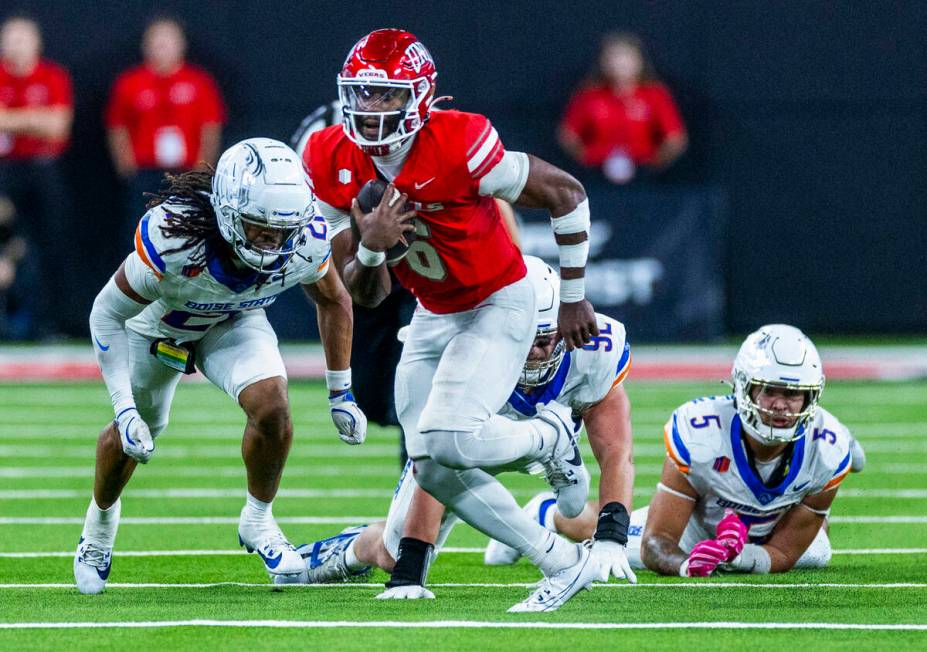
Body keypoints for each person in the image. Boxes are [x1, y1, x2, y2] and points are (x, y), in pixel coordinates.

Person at [305, 29, 605, 613]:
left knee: (447, 436)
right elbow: (363, 295)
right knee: (430, 463)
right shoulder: (327, 155)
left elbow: (567, 193)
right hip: (433, 310)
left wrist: (572, 297)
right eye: (362, 95)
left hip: (498, 300)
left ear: (419, 96)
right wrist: (371, 247)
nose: (371, 110)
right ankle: (561, 561)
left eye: (386, 96)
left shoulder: (458, 140)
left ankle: (549, 437)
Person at [73, 138, 367, 595]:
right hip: (160, 325)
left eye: (282, 230)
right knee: (136, 433)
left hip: (233, 319)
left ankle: (258, 521)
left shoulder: (306, 239)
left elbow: (334, 299)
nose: (273, 241)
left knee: (273, 406)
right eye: (259, 227)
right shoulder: (175, 237)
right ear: (229, 212)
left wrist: (341, 392)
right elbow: (106, 314)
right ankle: (99, 527)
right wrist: (124, 407)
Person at [294, 256, 637, 594]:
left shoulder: (595, 345)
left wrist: (612, 535)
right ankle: (549, 441)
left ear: (564, 330)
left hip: (522, 430)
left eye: (543, 340)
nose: (532, 353)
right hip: (478, 438)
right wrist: (409, 568)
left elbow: (616, 449)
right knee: (392, 552)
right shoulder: (464, 345)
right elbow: (434, 462)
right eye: (522, 340)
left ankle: (551, 448)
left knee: (574, 506)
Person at [293, 101, 521, 466]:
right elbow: (317, 234)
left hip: (428, 265)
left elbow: (492, 204)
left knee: (422, 384)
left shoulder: (433, 138)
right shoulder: (321, 142)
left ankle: (421, 474)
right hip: (362, 265)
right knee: (370, 393)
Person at [634, 324, 861, 576]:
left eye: (792, 393)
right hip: (694, 532)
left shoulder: (826, 449)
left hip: (770, 533)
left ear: (810, 398)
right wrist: (687, 565)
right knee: (602, 533)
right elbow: (656, 541)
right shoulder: (702, 433)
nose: (780, 406)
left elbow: (784, 552)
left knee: (817, 550)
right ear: (743, 387)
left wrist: (737, 558)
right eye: (769, 391)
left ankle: (816, 507)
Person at [106, 17, 225, 244]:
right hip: (145, 173)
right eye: (156, 41)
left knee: (189, 234)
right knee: (140, 233)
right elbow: (117, 127)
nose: (162, 47)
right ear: (146, 45)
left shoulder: (198, 82)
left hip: (185, 172)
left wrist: (200, 171)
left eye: (167, 41)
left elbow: (210, 127)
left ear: (181, 44)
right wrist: (127, 167)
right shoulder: (130, 82)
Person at [0, 14, 74, 336]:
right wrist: (34, 121)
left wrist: (10, 119)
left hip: (43, 170)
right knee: (7, 245)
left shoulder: (51, 77)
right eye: (10, 39)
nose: (15, 46)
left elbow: (57, 127)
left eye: (22, 39)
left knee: (48, 246)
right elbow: (44, 123)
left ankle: (47, 323)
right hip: (5, 171)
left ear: (35, 43)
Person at [559, 32, 687, 185]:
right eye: (614, 58)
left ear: (639, 61)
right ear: (603, 62)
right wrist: (587, 159)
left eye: (626, 58)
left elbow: (675, 138)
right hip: (596, 173)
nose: (619, 64)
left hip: (643, 173)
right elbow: (568, 135)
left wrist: (655, 164)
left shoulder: (655, 94)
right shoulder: (589, 94)